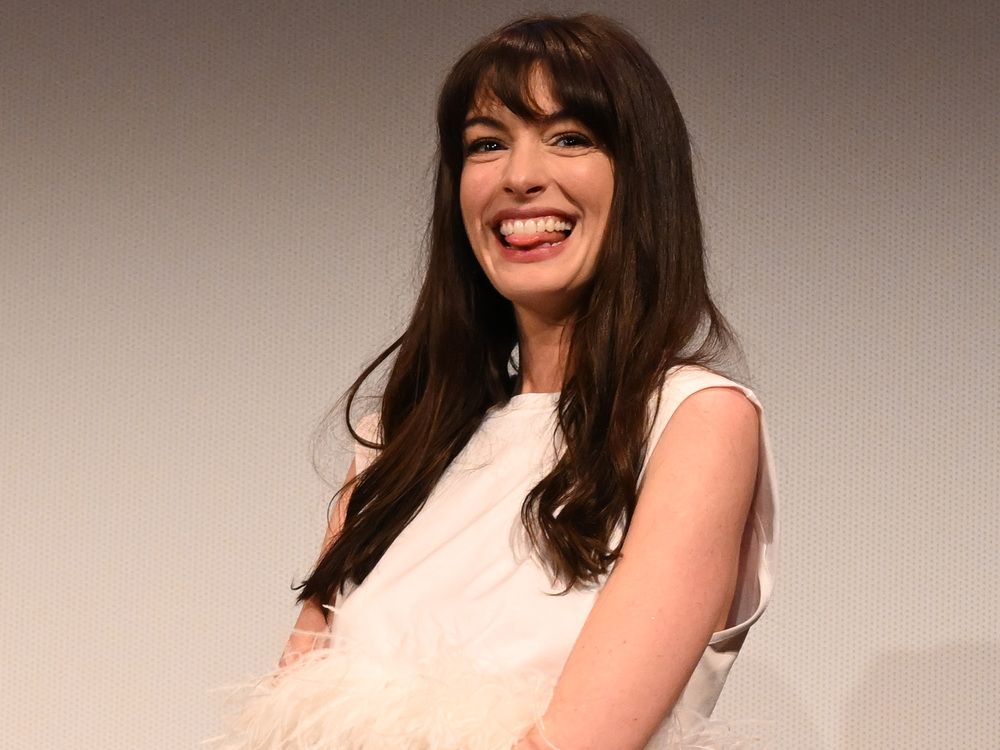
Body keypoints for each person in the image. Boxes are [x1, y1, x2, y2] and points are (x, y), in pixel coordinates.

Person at [214, 13, 778, 750]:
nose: (519, 176)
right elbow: (287, 719)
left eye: (570, 137)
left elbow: (580, 740)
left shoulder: (695, 421)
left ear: (642, 177)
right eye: (487, 144)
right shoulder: (398, 439)